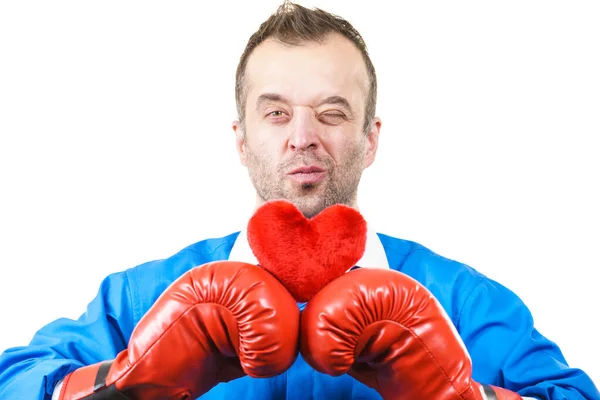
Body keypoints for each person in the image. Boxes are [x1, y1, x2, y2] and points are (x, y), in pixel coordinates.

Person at [0, 1, 598, 399]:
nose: (303, 135)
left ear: (370, 140)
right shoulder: (143, 294)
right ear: (241, 140)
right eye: (276, 112)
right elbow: (15, 380)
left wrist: (461, 395)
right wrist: (122, 382)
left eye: (332, 113)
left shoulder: (464, 300)